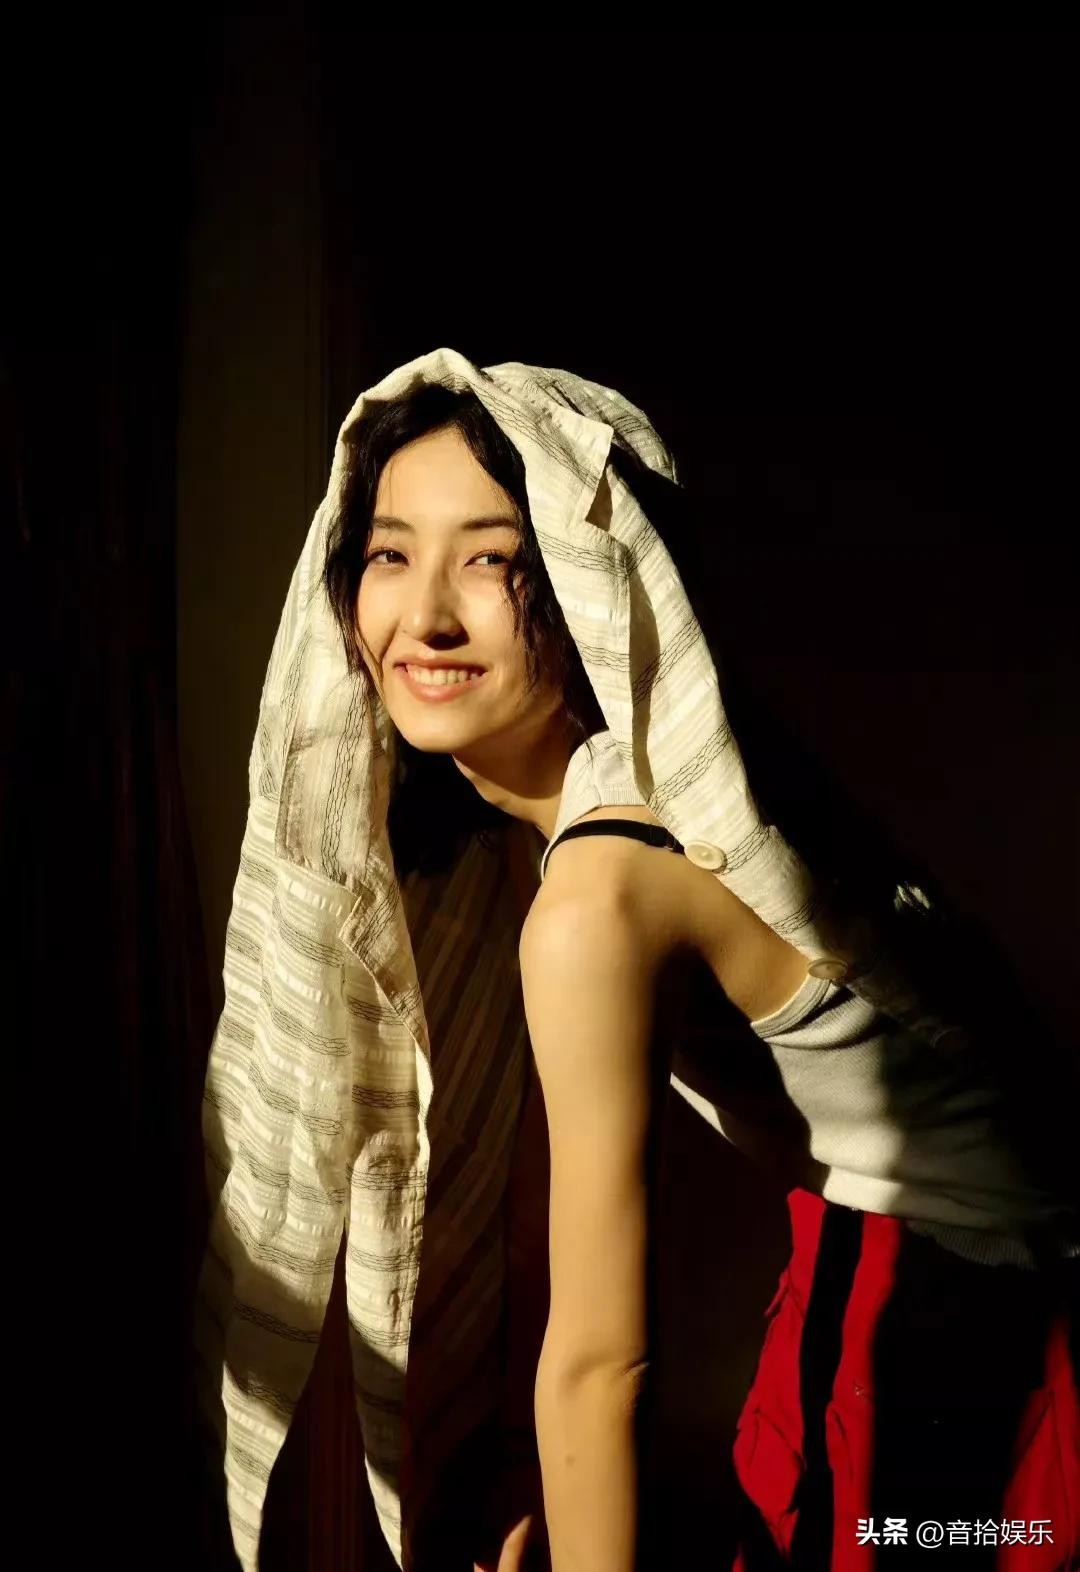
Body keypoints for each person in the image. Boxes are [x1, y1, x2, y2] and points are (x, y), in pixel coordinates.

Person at [196, 349, 1079, 1572]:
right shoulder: (590, 810)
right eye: (390, 553)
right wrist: (538, 1471)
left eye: (493, 558)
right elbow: (547, 1208)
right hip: (884, 1267)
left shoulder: (602, 890)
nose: (426, 615)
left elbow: (606, 1360)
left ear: (591, 579)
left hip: (992, 1336)